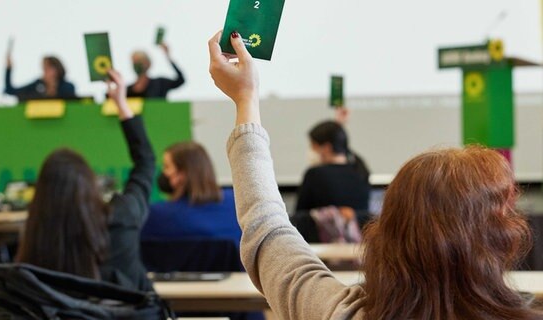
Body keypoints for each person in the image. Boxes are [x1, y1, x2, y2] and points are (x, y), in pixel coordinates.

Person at [208, 31, 543, 320]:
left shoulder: (336, 312)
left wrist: (245, 98)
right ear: (501, 241)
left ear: (389, 231)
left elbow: (266, 229)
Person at [14, 69, 155, 291]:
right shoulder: (122, 218)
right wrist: (121, 104)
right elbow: (145, 162)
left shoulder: (35, 241)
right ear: (90, 186)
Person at [141, 142, 241, 248]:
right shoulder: (236, 203)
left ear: (182, 174)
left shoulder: (157, 215)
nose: (163, 172)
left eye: (166, 167)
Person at [4, 54, 76, 100]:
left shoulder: (67, 86)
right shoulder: (37, 85)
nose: (46, 72)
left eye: (48, 68)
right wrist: (8, 69)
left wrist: (53, 88)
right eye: (44, 69)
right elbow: (10, 90)